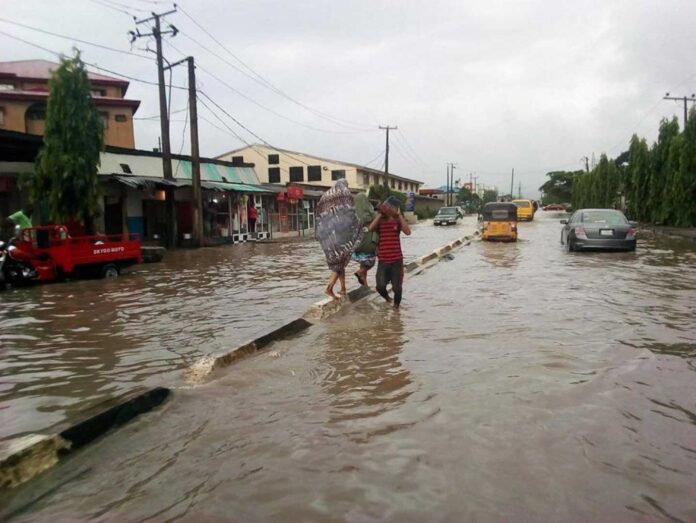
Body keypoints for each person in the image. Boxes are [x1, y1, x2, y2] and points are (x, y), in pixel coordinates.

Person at [316, 179, 362, 299]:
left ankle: (343, 288)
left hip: (327, 235)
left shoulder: (325, 196)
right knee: (339, 262)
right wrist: (358, 225)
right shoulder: (345, 193)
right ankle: (329, 288)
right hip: (341, 235)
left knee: (340, 262)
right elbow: (350, 212)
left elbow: (319, 215)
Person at [369, 196, 411, 309]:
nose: (386, 207)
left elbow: (407, 232)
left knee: (397, 288)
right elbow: (370, 228)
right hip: (383, 260)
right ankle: (387, 298)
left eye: (389, 206)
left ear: (395, 208)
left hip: (397, 260)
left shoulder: (398, 220)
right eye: (385, 205)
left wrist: (399, 215)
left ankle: (396, 309)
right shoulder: (380, 220)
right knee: (380, 286)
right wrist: (379, 214)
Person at [351, 192, 378, 286]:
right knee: (371, 261)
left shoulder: (352, 215)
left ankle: (365, 284)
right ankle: (360, 272)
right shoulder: (371, 213)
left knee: (363, 261)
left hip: (357, 244)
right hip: (369, 242)